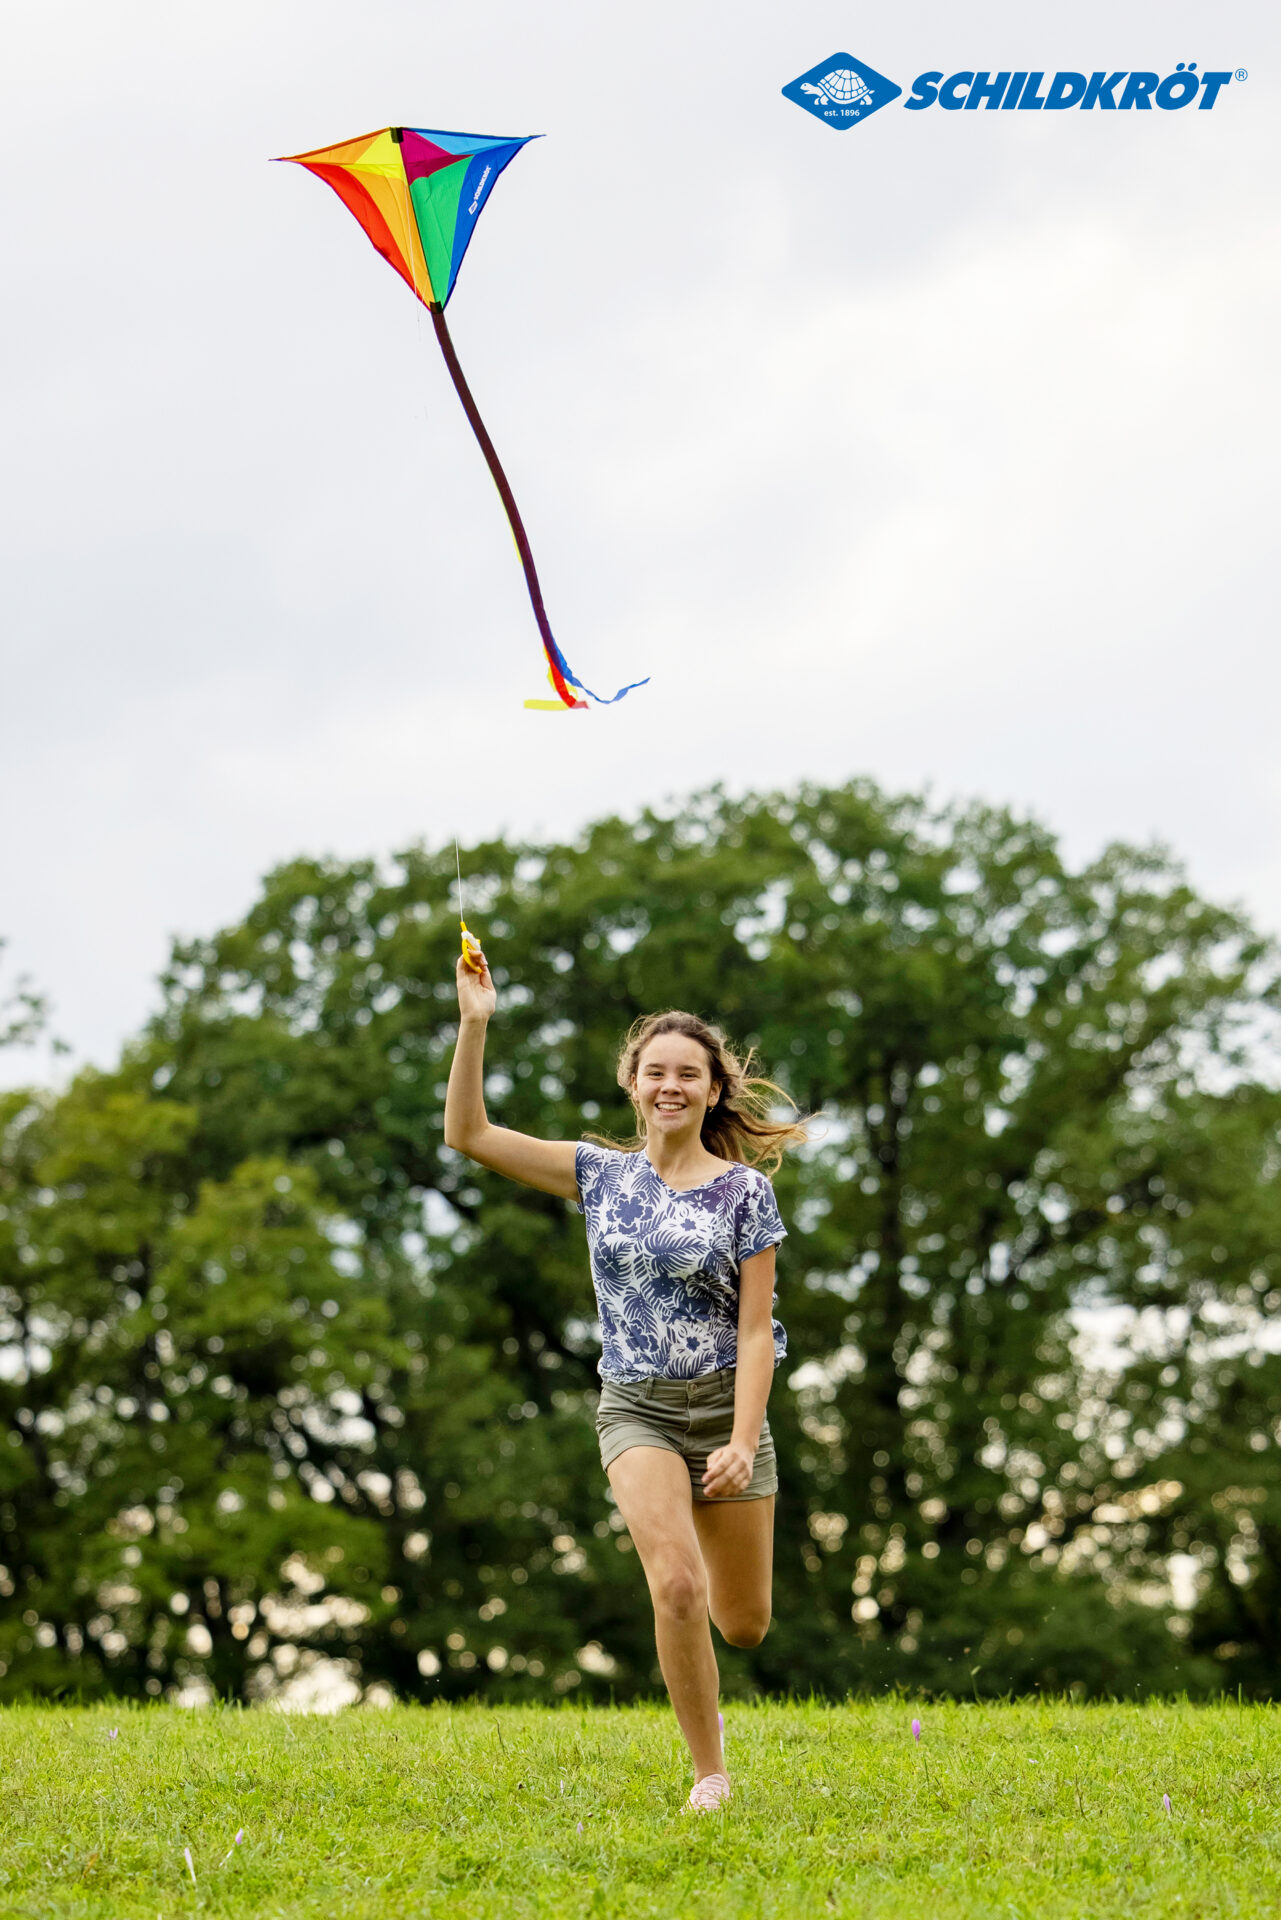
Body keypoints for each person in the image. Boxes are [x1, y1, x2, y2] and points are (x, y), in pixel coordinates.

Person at [444, 946, 807, 1812]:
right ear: (634, 1085)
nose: (670, 1085)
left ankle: (715, 1578)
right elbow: (468, 1136)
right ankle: (709, 1774)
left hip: (724, 1406)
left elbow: (756, 1330)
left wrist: (739, 1438)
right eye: (656, 1072)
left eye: (688, 1074)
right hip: (635, 1406)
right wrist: (474, 1024)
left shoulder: (744, 1194)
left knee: (743, 1623)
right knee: (674, 1584)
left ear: (712, 1092)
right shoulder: (597, 1175)